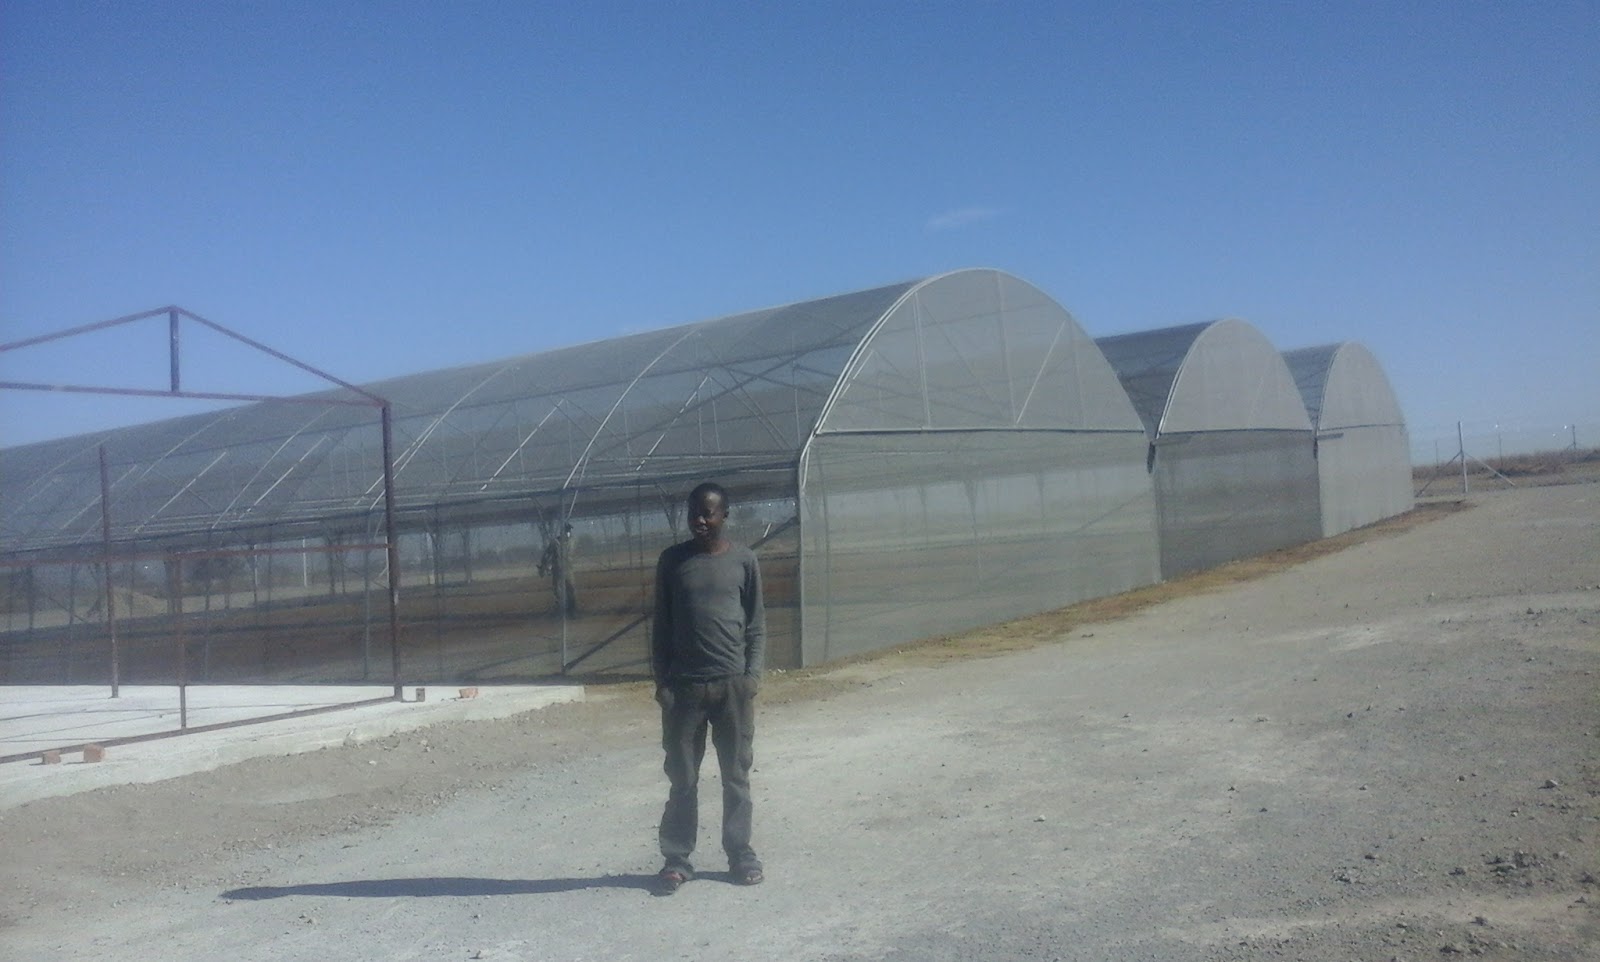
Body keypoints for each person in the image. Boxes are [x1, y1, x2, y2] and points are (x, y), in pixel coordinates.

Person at [650, 481, 766, 894]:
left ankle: (740, 854)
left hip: (733, 687)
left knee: (736, 776)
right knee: (682, 778)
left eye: (708, 513)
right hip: (684, 691)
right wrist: (662, 682)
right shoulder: (672, 562)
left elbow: (755, 626)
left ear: (724, 516)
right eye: (694, 512)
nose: (700, 520)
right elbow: (661, 627)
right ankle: (677, 859)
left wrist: (751, 676)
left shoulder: (744, 561)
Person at [537, 522, 577, 617]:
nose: (568, 533)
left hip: (568, 569)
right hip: (557, 570)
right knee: (557, 591)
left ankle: (572, 610)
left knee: (571, 589)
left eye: (569, 531)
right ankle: (560, 610)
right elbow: (547, 554)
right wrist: (544, 566)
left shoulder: (572, 541)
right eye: (567, 531)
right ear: (562, 532)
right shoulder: (555, 543)